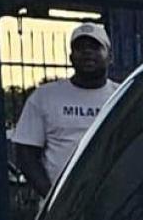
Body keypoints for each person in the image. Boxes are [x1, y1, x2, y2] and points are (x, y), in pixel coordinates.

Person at [12, 22, 119, 197]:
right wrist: (52, 198)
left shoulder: (123, 95)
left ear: (110, 57)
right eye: (80, 48)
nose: (87, 52)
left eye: (95, 47)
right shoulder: (44, 97)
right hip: (62, 207)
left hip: (114, 203)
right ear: (71, 57)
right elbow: (26, 153)